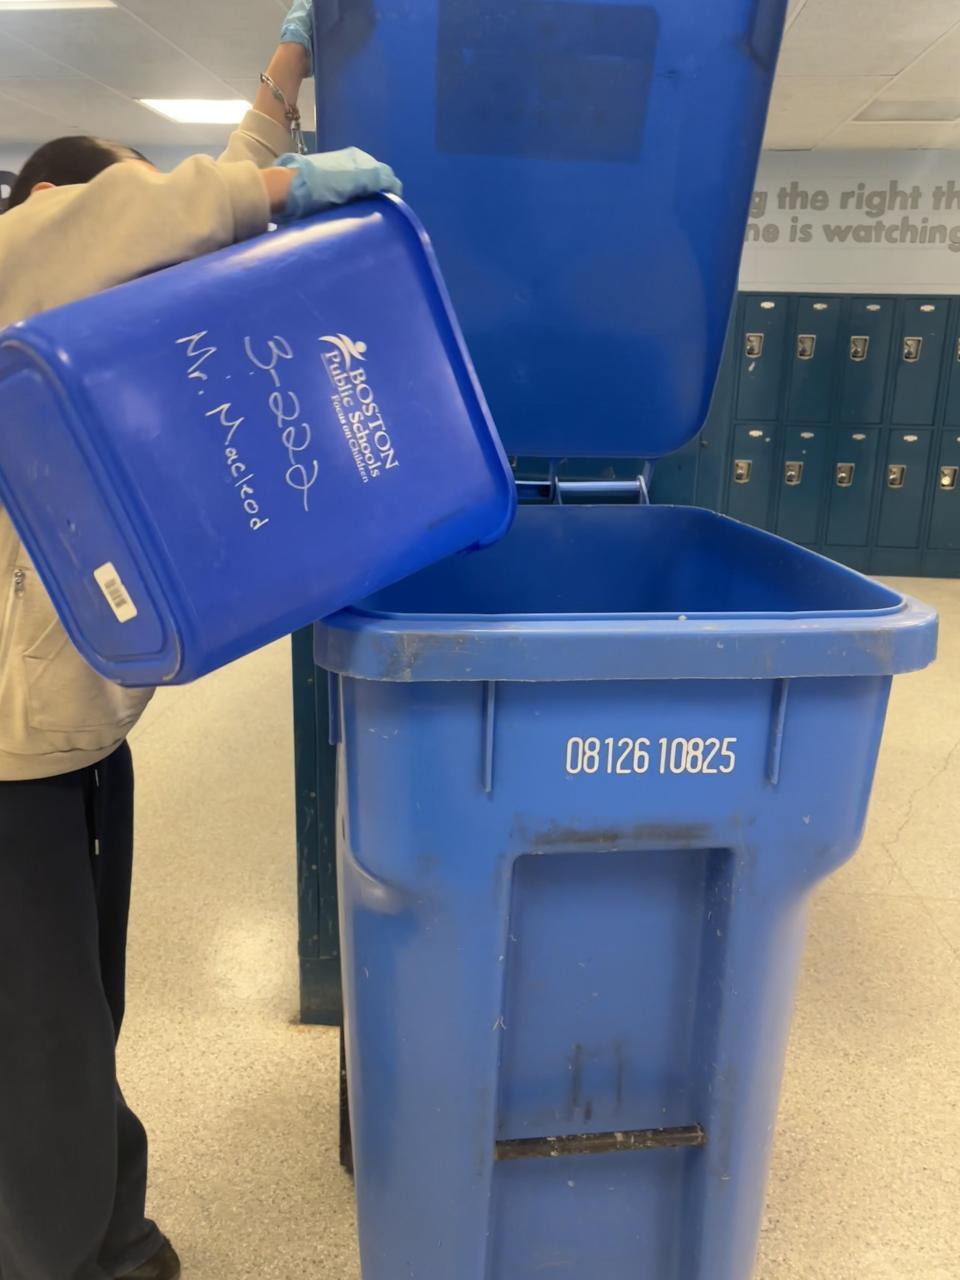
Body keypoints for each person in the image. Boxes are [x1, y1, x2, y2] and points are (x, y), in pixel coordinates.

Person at [0, 4, 399, 1278]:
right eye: (117, 207)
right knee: (42, 1039)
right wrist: (279, 188)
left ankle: (111, 1226)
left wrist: (284, 77)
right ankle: (65, 1255)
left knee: (79, 1013)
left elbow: (177, 232)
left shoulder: (64, 294)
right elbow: (135, 219)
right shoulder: (18, 263)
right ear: (58, 203)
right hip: (10, 771)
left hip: (70, 746)